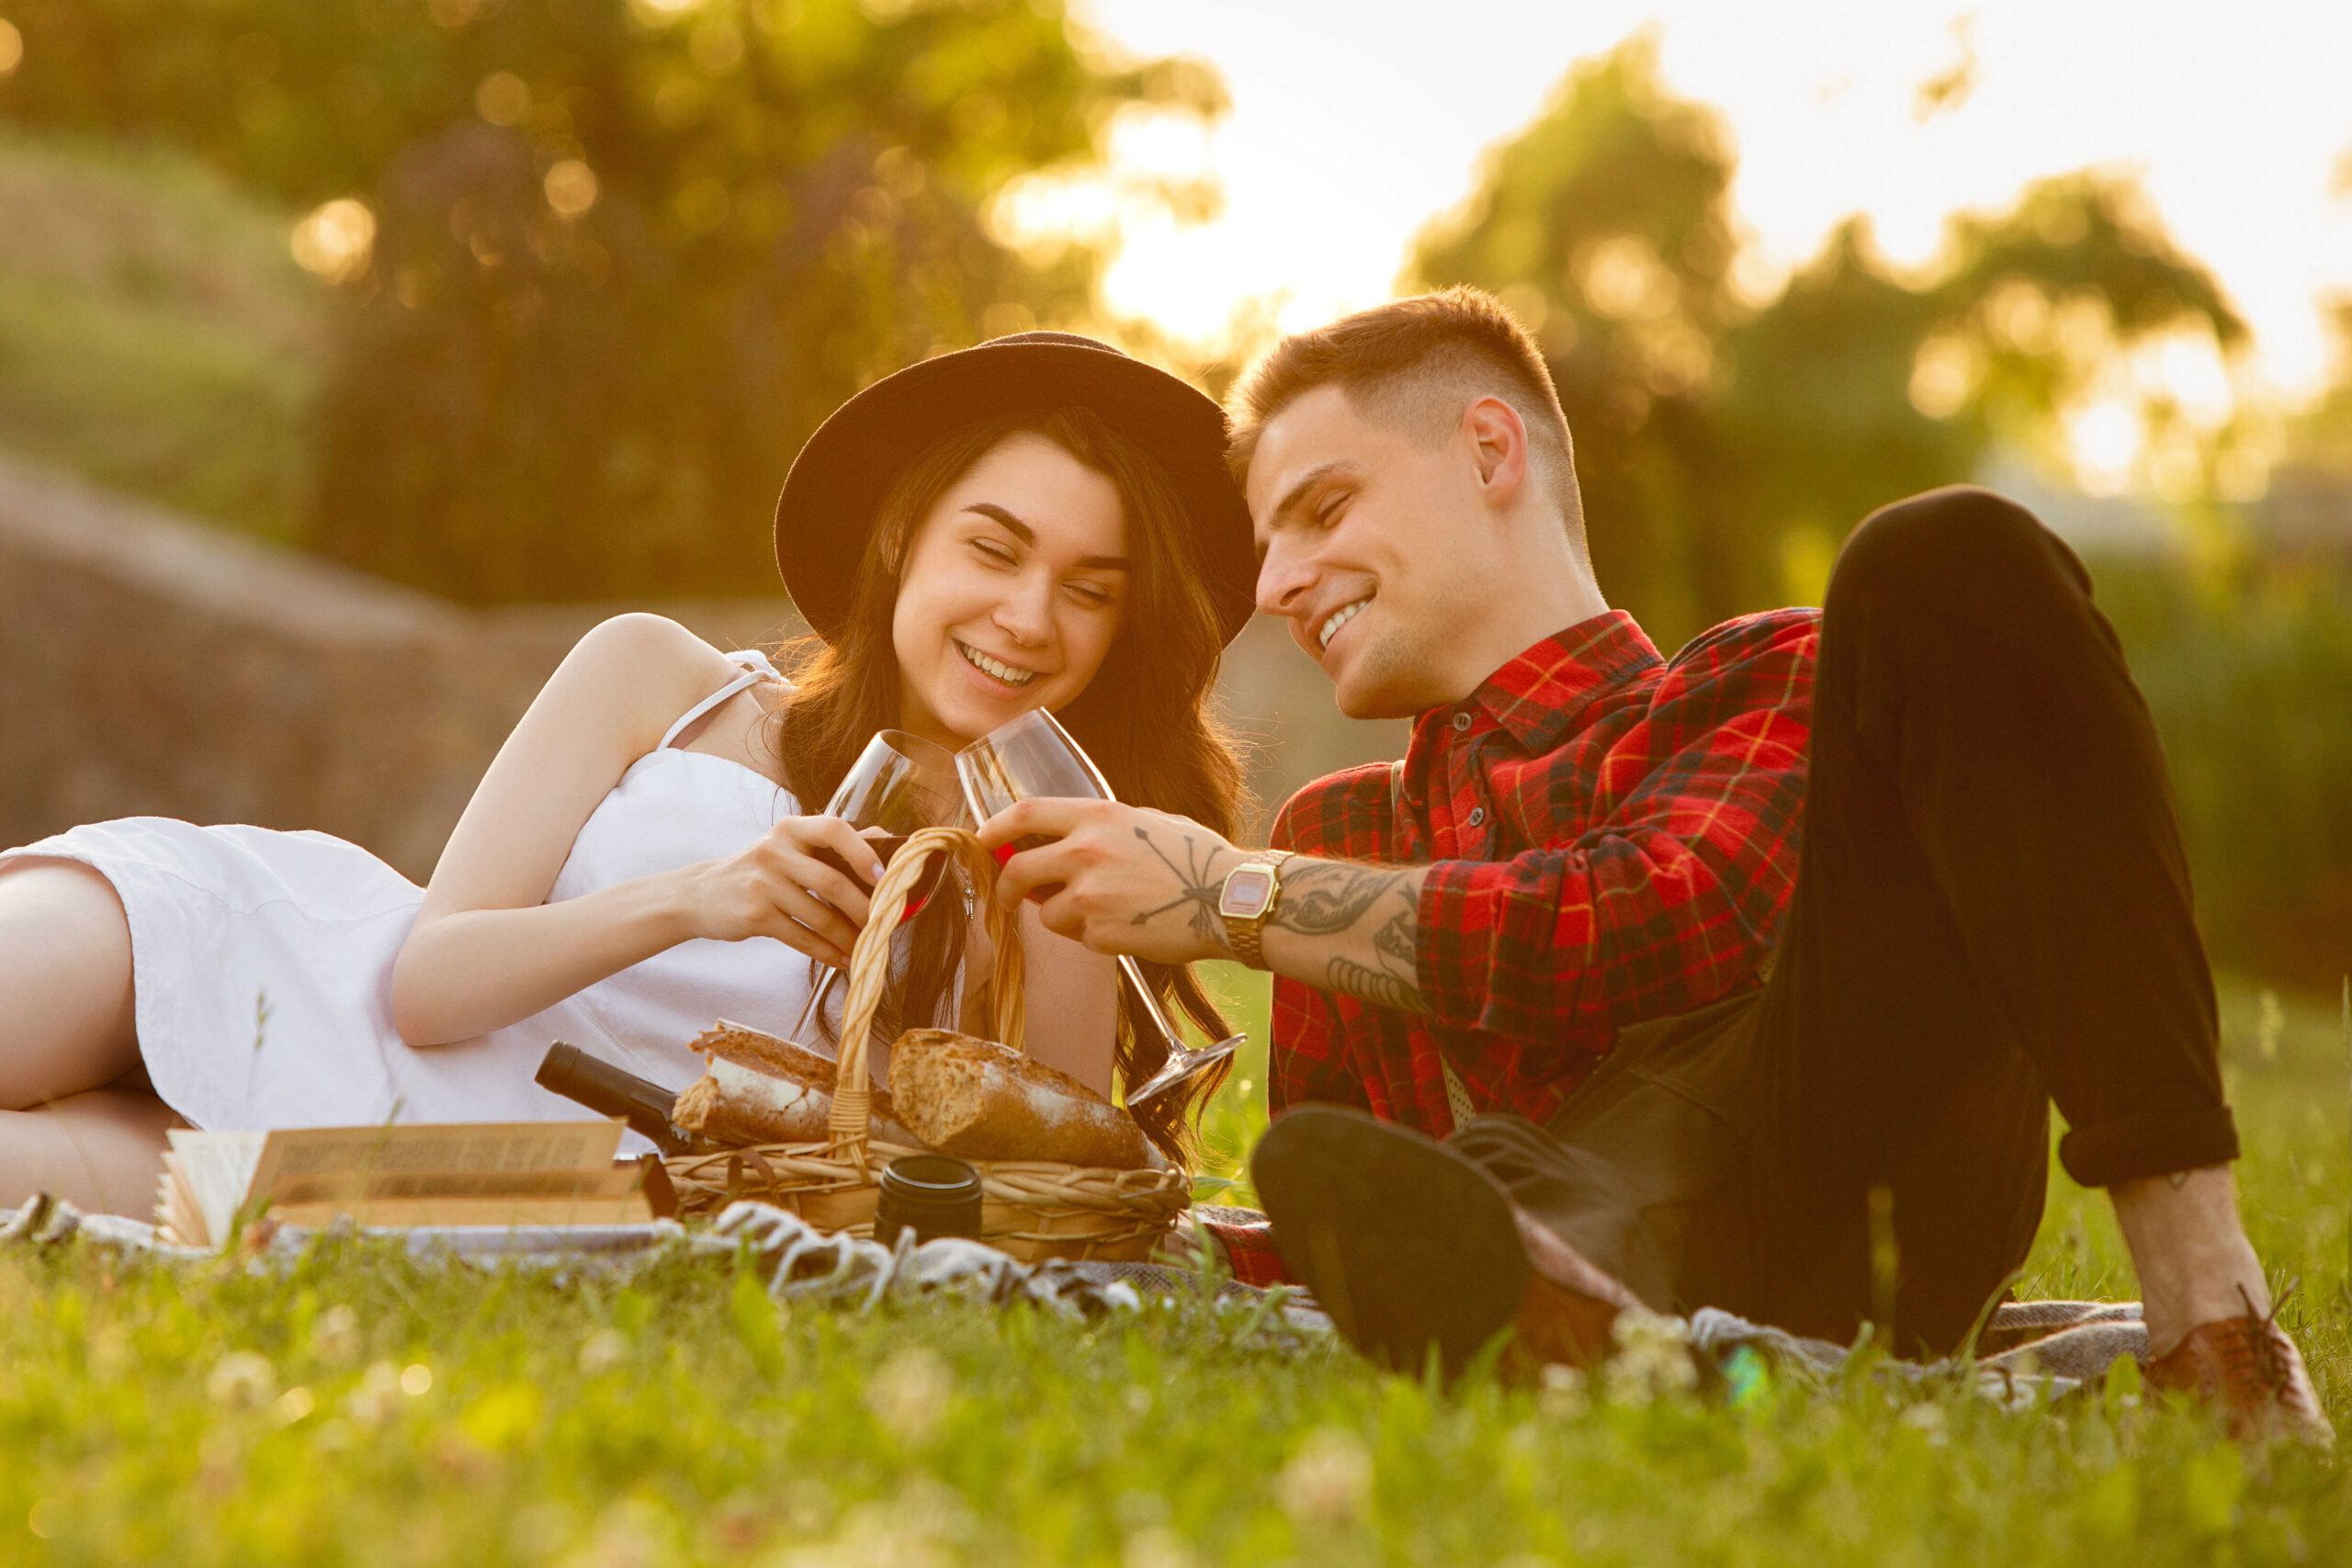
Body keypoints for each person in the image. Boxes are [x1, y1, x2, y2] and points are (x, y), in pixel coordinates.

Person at [975, 291, 2331, 1444]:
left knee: (1944, 555)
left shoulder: (1768, 680)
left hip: (1845, 1198)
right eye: (1266, 541)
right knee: (1382, 1179)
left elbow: (1650, 923)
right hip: (1543, 1243)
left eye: (1319, 509)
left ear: (1490, 451)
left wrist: (1228, 895)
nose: (1275, 581)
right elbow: (1365, 1204)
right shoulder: (1342, 832)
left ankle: (2211, 1320)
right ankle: (1576, 1294)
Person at [0, 332, 1259, 1217]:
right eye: (994, 549)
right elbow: (429, 985)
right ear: (899, 538)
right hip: (278, 959)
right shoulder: (659, 676)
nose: (1031, 618)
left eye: (1091, 593)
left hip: (470, 1177)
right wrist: (698, 899)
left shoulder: (1054, 857)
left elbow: (1055, 1196)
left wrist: (1065, 880)